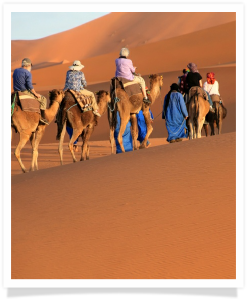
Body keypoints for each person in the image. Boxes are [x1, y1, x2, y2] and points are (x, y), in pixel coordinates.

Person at [12, 58, 49, 125]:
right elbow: (29, 85)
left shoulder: (16, 70)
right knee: (43, 99)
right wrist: (35, 94)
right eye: (30, 66)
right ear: (29, 65)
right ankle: (42, 118)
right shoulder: (28, 73)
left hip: (15, 91)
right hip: (24, 91)